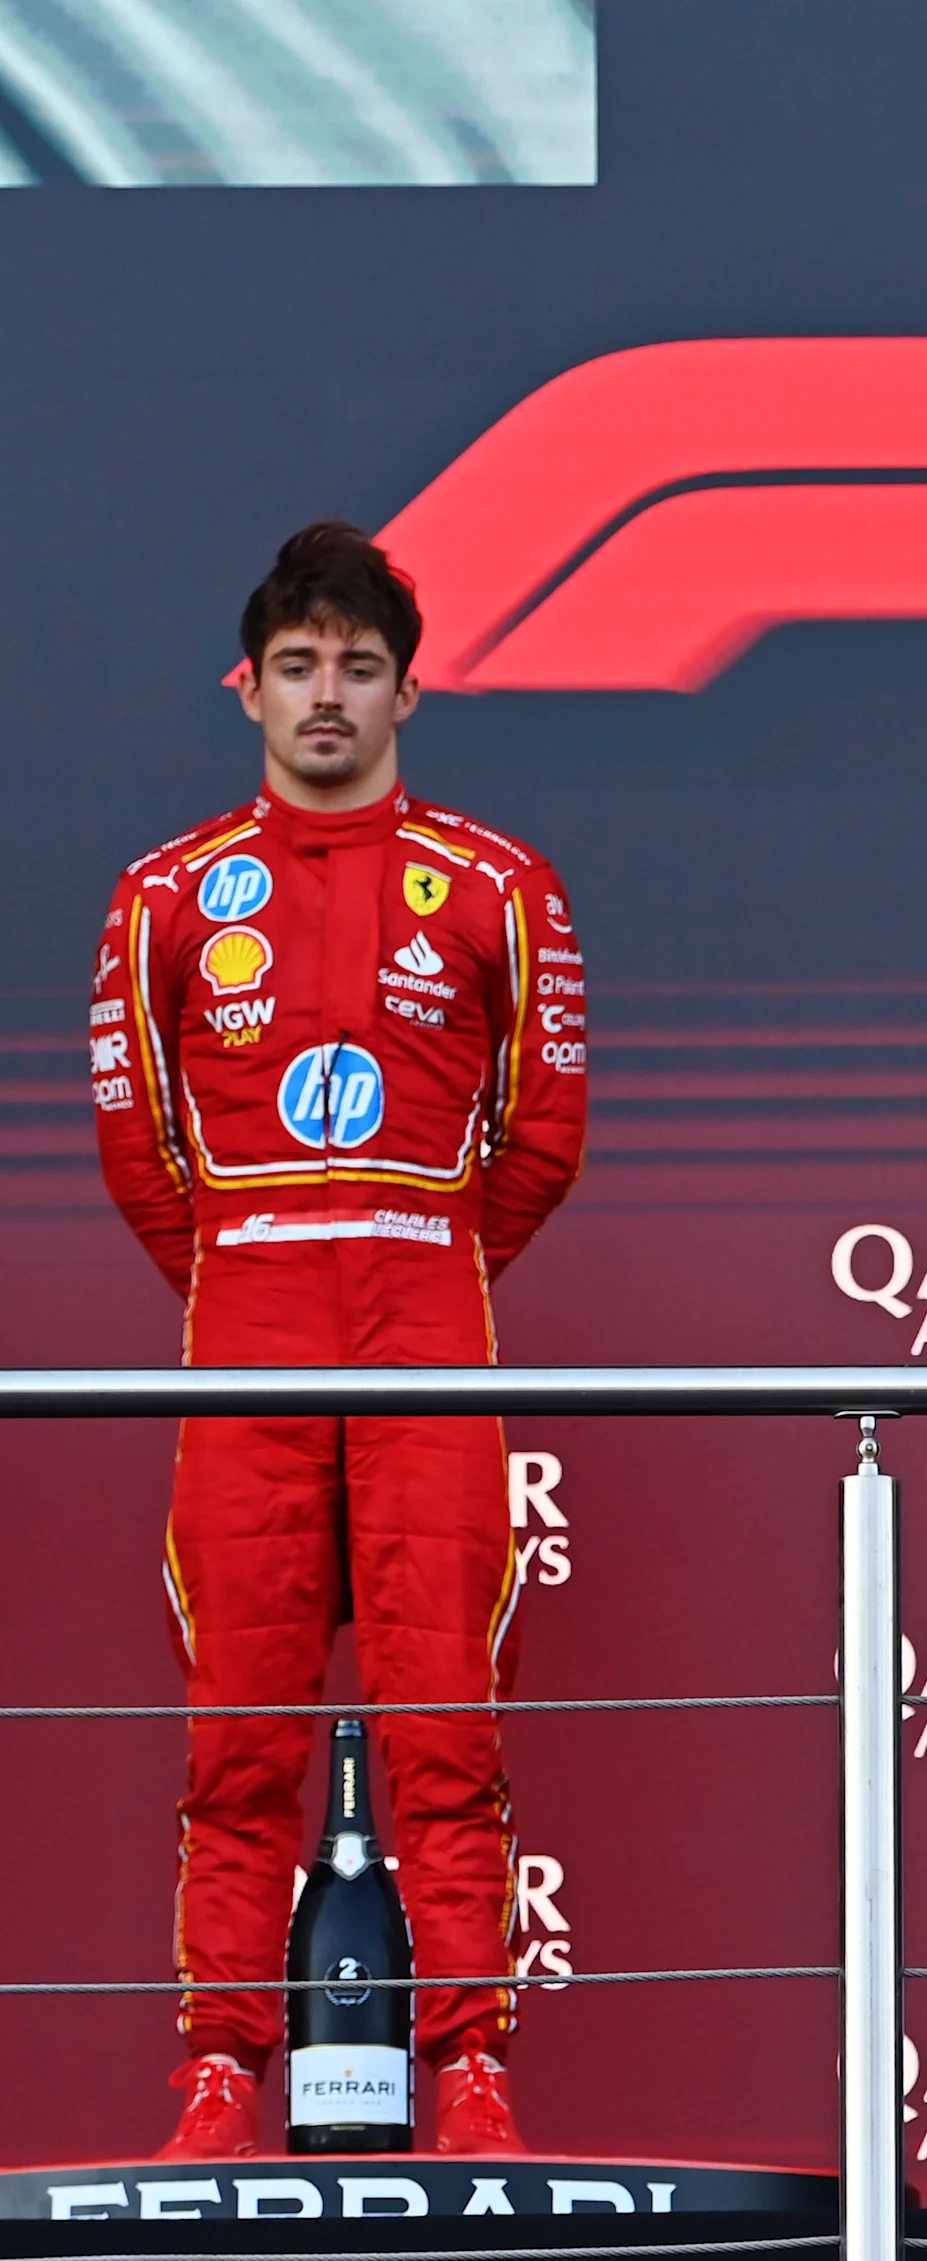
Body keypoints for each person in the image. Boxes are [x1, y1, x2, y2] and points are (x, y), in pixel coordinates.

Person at [92, 524, 588, 2158]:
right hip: (244, 1349)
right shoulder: (164, 899)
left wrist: (421, 1257)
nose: (327, 697)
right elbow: (139, 1158)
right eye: (298, 667)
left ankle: (475, 2079)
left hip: (430, 1341)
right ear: (251, 689)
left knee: (450, 1731)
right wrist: (250, 1274)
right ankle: (221, 2076)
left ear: (408, 691)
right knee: (236, 1738)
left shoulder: (502, 887)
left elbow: (540, 1144)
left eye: (358, 668)